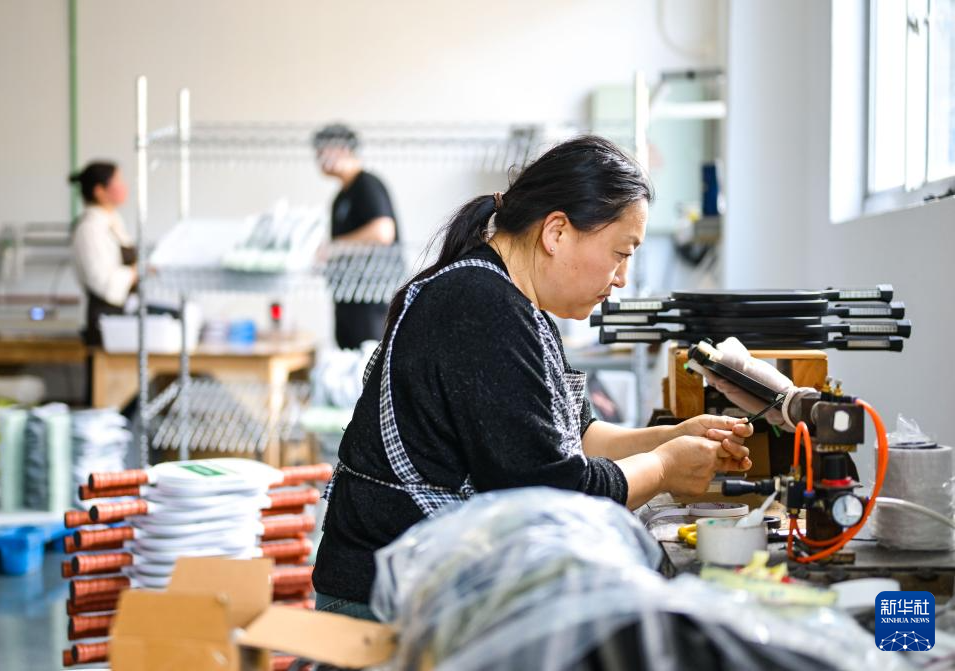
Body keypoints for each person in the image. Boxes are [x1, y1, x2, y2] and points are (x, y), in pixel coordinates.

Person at [312, 136, 754, 620]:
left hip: (432, 586)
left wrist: (669, 438)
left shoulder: (520, 306)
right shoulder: (479, 305)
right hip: (385, 601)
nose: (622, 277)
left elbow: (578, 439)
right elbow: (557, 493)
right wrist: (664, 468)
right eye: (620, 253)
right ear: (557, 232)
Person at [313, 124, 399, 349]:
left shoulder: (367, 184)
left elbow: (383, 231)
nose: (318, 157)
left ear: (342, 149)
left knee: (369, 361)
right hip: (347, 300)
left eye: (322, 149)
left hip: (371, 300)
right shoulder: (340, 197)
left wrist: (334, 248)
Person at [69, 162, 136, 346]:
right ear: (99, 191)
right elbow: (102, 282)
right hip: (101, 319)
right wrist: (134, 273)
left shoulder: (114, 221)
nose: (124, 186)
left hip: (120, 313)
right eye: (118, 181)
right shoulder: (89, 228)